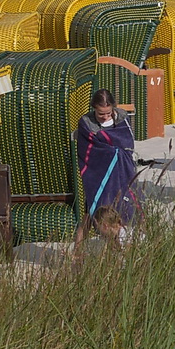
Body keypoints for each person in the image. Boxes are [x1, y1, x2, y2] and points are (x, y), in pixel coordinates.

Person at [77, 89, 139, 239]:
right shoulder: (87, 123)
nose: (105, 117)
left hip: (123, 171)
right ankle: (77, 253)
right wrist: (112, 153)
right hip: (99, 174)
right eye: (101, 114)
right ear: (94, 109)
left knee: (128, 206)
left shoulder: (122, 118)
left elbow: (127, 142)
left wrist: (116, 153)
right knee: (90, 212)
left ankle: (120, 243)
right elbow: (89, 150)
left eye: (108, 113)